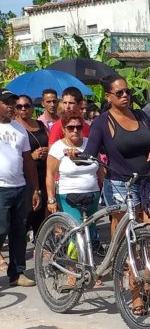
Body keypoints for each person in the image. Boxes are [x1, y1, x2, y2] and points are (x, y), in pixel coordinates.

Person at [83, 74, 150, 316]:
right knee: (128, 243)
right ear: (108, 96)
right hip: (120, 185)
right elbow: (90, 152)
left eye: (127, 92)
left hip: (147, 181)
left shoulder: (141, 115)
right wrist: (74, 154)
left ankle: (144, 282)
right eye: (119, 93)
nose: (125, 96)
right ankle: (136, 294)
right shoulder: (102, 122)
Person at [46, 110, 105, 258]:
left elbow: (100, 169)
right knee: (76, 233)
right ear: (63, 129)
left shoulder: (90, 144)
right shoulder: (58, 148)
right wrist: (51, 199)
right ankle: (75, 269)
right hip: (68, 195)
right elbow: (50, 175)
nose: (75, 131)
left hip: (92, 193)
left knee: (90, 233)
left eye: (78, 127)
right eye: (70, 127)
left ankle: (87, 265)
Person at [0, 89, 40, 287]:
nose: (11, 107)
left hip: (19, 187)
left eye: (13, 103)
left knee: (19, 231)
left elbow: (28, 161)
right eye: (6, 102)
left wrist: (35, 188)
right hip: (1, 188)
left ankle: (17, 273)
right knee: (1, 230)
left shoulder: (19, 128)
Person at [14, 94, 49, 239]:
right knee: (28, 210)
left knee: (42, 209)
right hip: (24, 174)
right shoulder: (14, 127)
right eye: (20, 107)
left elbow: (51, 142)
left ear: (33, 108)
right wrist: (31, 156)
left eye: (27, 106)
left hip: (43, 172)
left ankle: (40, 243)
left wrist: (48, 151)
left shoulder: (40, 125)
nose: (24, 109)